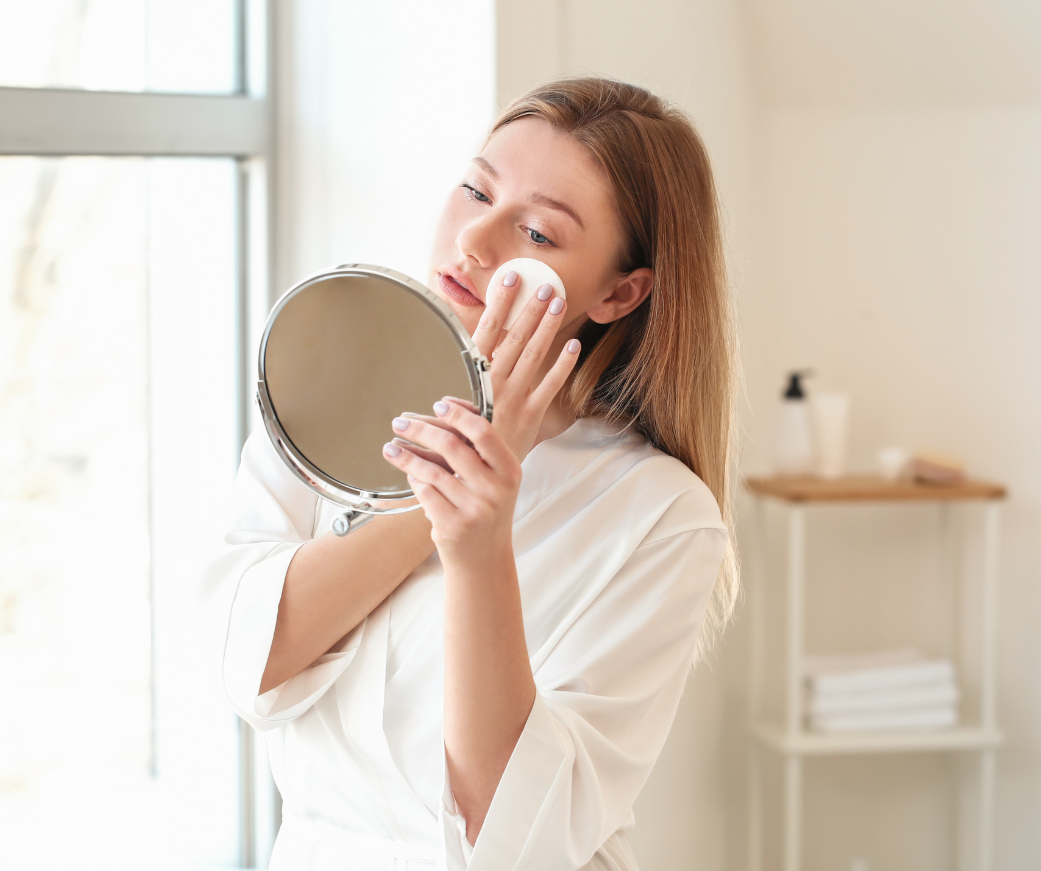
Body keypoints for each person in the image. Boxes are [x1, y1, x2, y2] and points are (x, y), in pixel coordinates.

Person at [199, 77, 738, 870]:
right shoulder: (321, 397)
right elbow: (247, 656)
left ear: (619, 294)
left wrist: (479, 546)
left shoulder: (660, 515)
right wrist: (449, 481)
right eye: (474, 190)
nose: (475, 242)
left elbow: (518, 830)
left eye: (539, 235)